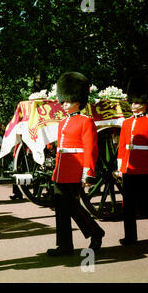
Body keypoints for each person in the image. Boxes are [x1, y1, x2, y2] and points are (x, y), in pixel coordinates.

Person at [47, 71, 105, 256]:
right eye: (63, 101)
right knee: (61, 209)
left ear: (78, 101)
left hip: (75, 170)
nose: (64, 104)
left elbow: (90, 148)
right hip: (61, 171)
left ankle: (95, 232)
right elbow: (60, 149)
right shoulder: (62, 122)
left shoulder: (85, 121)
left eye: (68, 101)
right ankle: (64, 245)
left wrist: (87, 173)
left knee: (72, 207)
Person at [117, 74, 148, 245]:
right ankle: (130, 237)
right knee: (127, 204)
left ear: (144, 104)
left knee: (143, 203)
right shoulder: (126, 123)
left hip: (143, 168)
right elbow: (122, 146)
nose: (133, 105)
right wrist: (120, 167)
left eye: (136, 102)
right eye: (132, 102)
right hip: (128, 167)